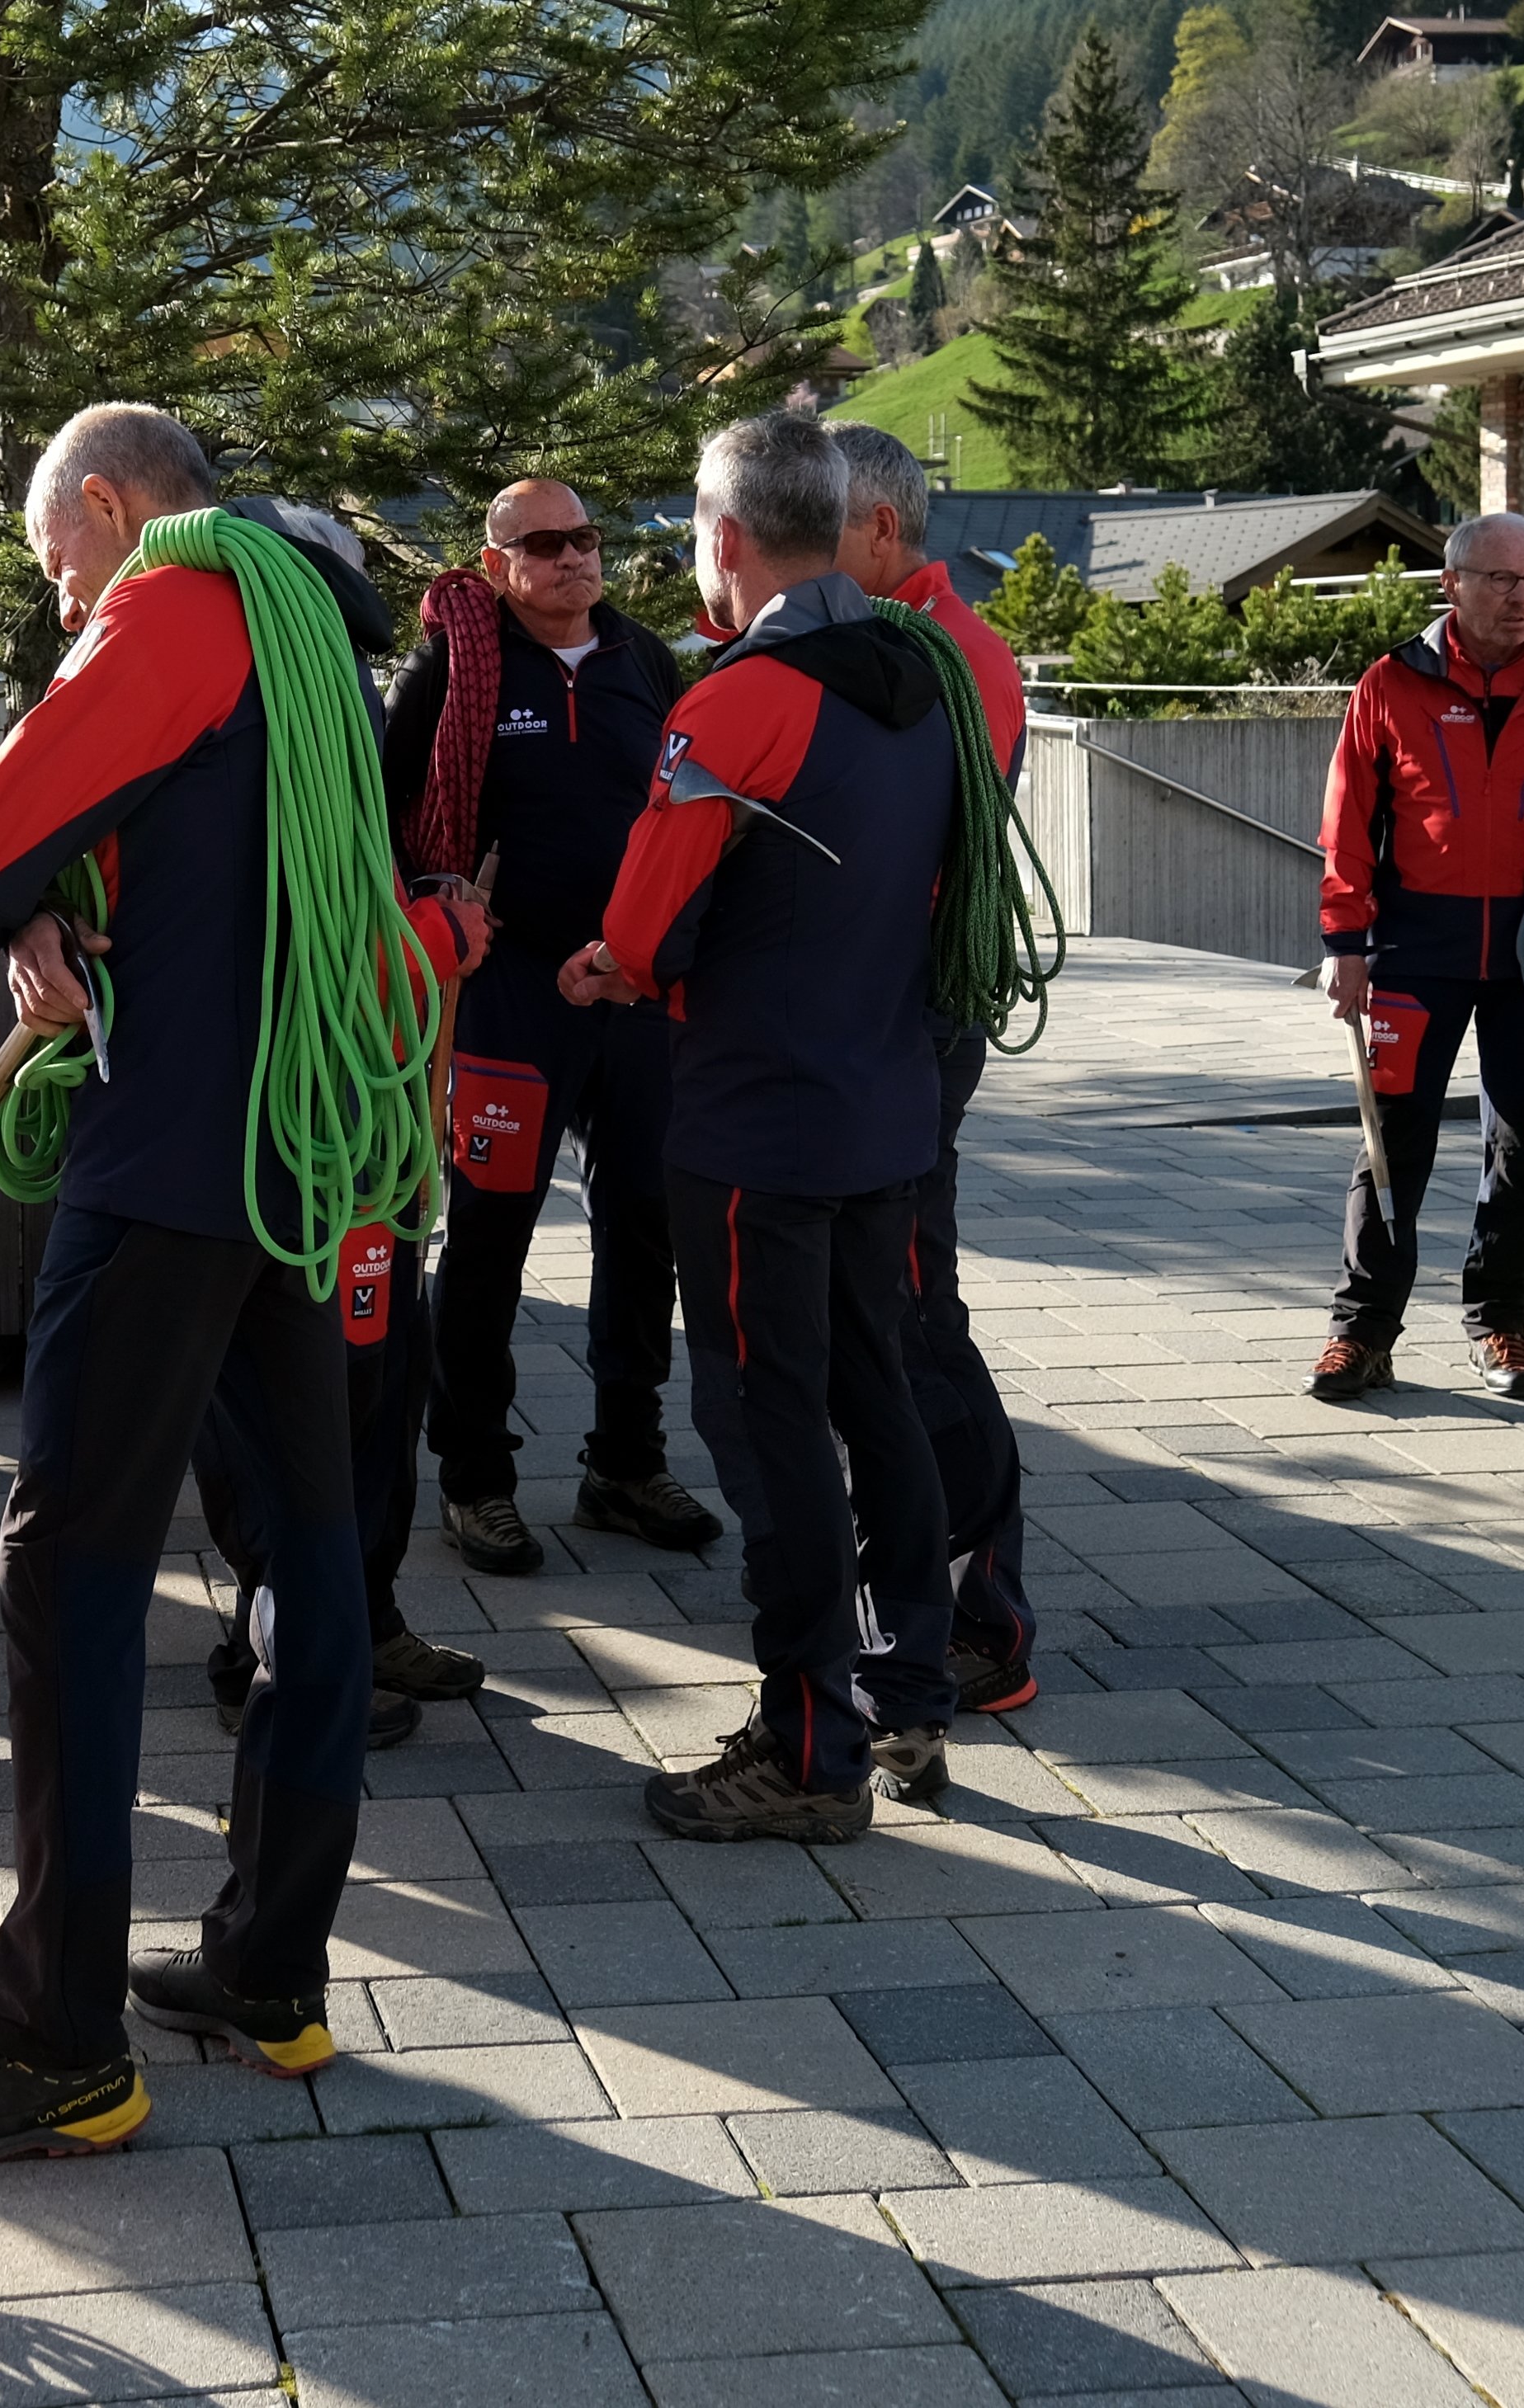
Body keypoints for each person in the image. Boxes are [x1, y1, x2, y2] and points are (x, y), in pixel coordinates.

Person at [0, 403, 393, 2165]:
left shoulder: (178, 599)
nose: (60, 607)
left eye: (50, 568)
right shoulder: (318, 618)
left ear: (99, 508)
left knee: (67, 1561)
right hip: (292, 1150)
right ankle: (269, 1965)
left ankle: (58, 2035)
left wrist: (17, 918)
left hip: (165, 1160)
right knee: (307, 1550)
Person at [560, 412, 963, 1845]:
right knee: (877, 1388)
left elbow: (639, 923)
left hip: (753, 1124)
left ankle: (805, 1740)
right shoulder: (932, 678)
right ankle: (906, 1682)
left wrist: (616, 957)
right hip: (883, 1101)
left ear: (723, 542)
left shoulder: (736, 701)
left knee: (763, 1415)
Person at [187, 498, 487, 1755]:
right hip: (274, 1124)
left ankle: (359, 1610)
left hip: (361, 1120)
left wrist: (428, 926)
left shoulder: (339, 700)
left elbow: (356, 888)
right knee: (280, 1401)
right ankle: (285, 1642)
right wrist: (440, 936)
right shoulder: (221, 702)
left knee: (377, 1374)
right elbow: (299, 931)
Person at [394, 476, 715, 1584]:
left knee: (648, 1221)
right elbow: (392, 821)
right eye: (544, 543)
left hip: (630, 989)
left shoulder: (644, 661)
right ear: (496, 563)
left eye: (586, 536)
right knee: (489, 1232)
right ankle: (472, 1475)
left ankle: (624, 1459)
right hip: (512, 989)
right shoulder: (454, 671)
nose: (575, 558)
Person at [1310, 513, 1524, 1411]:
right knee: (1391, 1139)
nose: (1521, 598)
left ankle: (1498, 1322)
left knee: (1520, 1144)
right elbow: (1347, 821)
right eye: (1501, 580)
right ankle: (1362, 1330)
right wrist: (1343, 944)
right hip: (1419, 948)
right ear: (1451, 585)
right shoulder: (1392, 684)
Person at [834, 424, 1042, 1713]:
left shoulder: (942, 659)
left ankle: (983, 1610)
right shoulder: (909, 647)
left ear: (879, 534)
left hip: (905, 1027)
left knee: (914, 1315)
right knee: (893, 1314)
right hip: (885, 1026)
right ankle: (933, 1587)